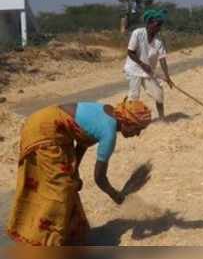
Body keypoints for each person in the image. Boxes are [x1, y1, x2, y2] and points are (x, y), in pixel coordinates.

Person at [7, 98, 151, 246]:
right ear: (127, 122)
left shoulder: (108, 111)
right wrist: (116, 196)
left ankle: (66, 236)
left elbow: (82, 142)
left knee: (70, 184)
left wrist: (74, 172)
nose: (138, 134)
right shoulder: (109, 134)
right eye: (137, 128)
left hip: (51, 127)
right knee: (60, 190)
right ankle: (45, 241)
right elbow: (99, 178)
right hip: (45, 131)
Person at [124, 9, 175, 121]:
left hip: (148, 72)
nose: (159, 28)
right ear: (149, 23)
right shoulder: (137, 33)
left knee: (159, 95)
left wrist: (167, 77)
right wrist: (142, 64)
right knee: (134, 95)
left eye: (160, 25)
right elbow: (130, 52)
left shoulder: (158, 43)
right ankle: (129, 119)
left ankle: (162, 118)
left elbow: (162, 60)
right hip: (134, 69)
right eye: (157, 24)